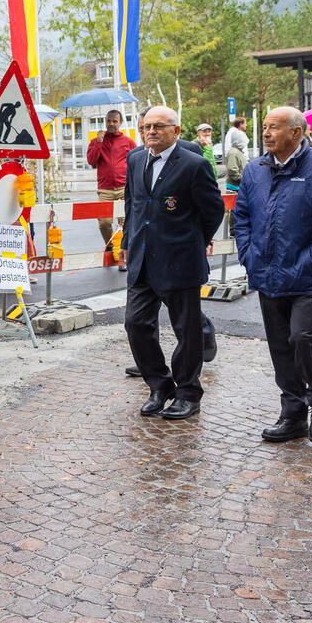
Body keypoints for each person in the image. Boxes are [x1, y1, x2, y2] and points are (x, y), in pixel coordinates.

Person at [234, 106, 312, 444]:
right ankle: (293, 413)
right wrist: (248, 255)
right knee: (280, 346)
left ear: (296, 133)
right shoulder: (255, 169)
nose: (266, 133)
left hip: (309, 276)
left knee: (303, 338)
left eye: (273, 128)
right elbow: (241, 217)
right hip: (267, 273)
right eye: (265, 127)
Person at [116, 107, 225, 420]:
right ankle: (160, 385)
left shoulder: (194, 164)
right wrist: (127, 241)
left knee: (187, 332)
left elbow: (212, 211)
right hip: (142, 261)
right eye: (147, 127)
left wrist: (191, 241)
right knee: (135, 324)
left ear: (175, 131)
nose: (151, 132)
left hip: (180, 262)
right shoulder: (136, 159)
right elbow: (133, 204)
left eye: (159, 127)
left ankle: (188, 392)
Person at [85, 109, 137, 263]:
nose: (111, 124)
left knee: (124, 221)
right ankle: (109, 246)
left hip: (124, 188)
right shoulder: (97, 141)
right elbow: (91, 161)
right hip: (105, 189)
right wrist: (99, 143)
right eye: (109, 121)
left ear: (120, 123)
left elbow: (136, 163)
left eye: (115, 121)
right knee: (104, 222)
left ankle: (123, 250)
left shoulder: (128, 142)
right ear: (105, 122)